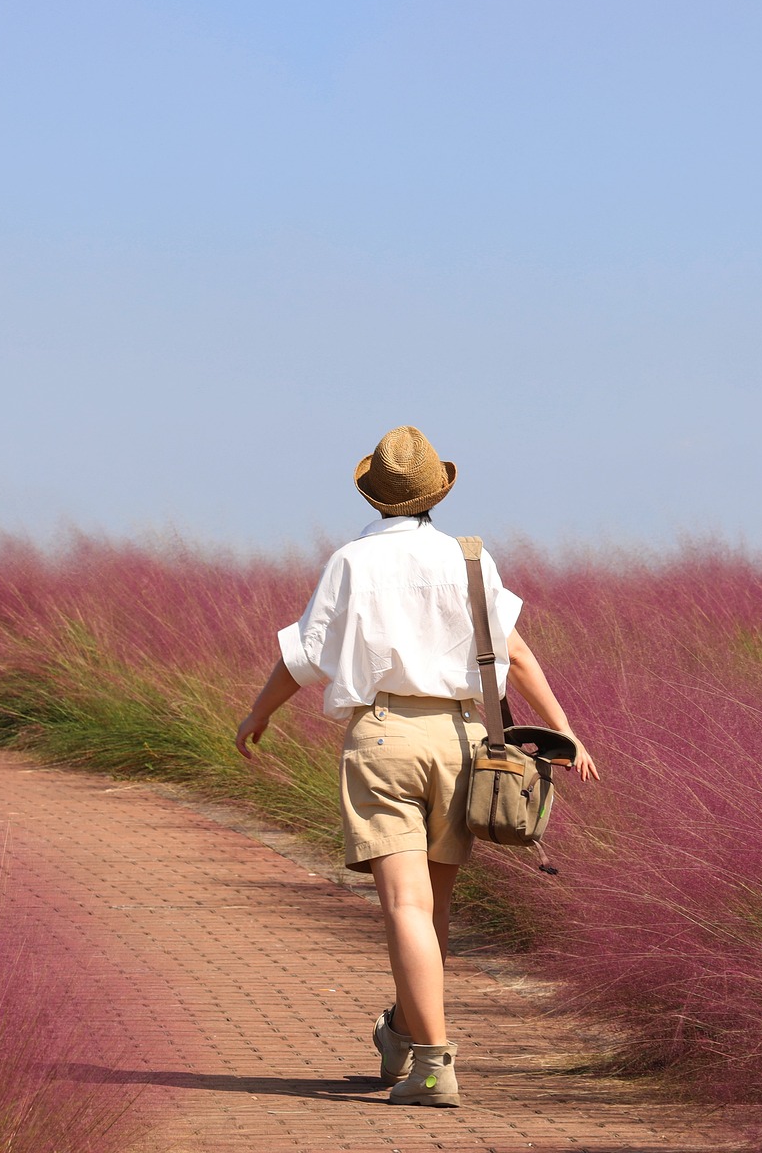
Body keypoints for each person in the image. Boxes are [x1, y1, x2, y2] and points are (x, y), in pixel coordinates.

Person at [233, 425, 598, 1108]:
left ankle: (434, 1063)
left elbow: (305, 657)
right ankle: (402, 1032)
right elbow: (513, 653)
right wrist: (565, 728)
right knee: (432, 912)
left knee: (404, 905)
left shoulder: (351, 561)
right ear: (438, 493)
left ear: (373, 496)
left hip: (384, 736)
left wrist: (260, 712)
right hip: (460, 742)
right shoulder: (469, 558)